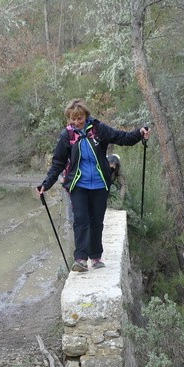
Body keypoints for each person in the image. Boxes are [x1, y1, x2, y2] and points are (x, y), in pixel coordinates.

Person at [36, 98, 150, 272]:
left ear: (86, 116)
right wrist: (46, 184)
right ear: (69, 119)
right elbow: (58, 163)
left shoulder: (98, 130)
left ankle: (96, 257)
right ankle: (80, 259)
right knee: (81, 220)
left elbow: (121, 137)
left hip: (99, 184)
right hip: (78, 185)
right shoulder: (67, 135)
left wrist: (139, 133)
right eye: (72, 119)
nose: (76, 122)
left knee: (97, 221)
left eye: (79, 118)